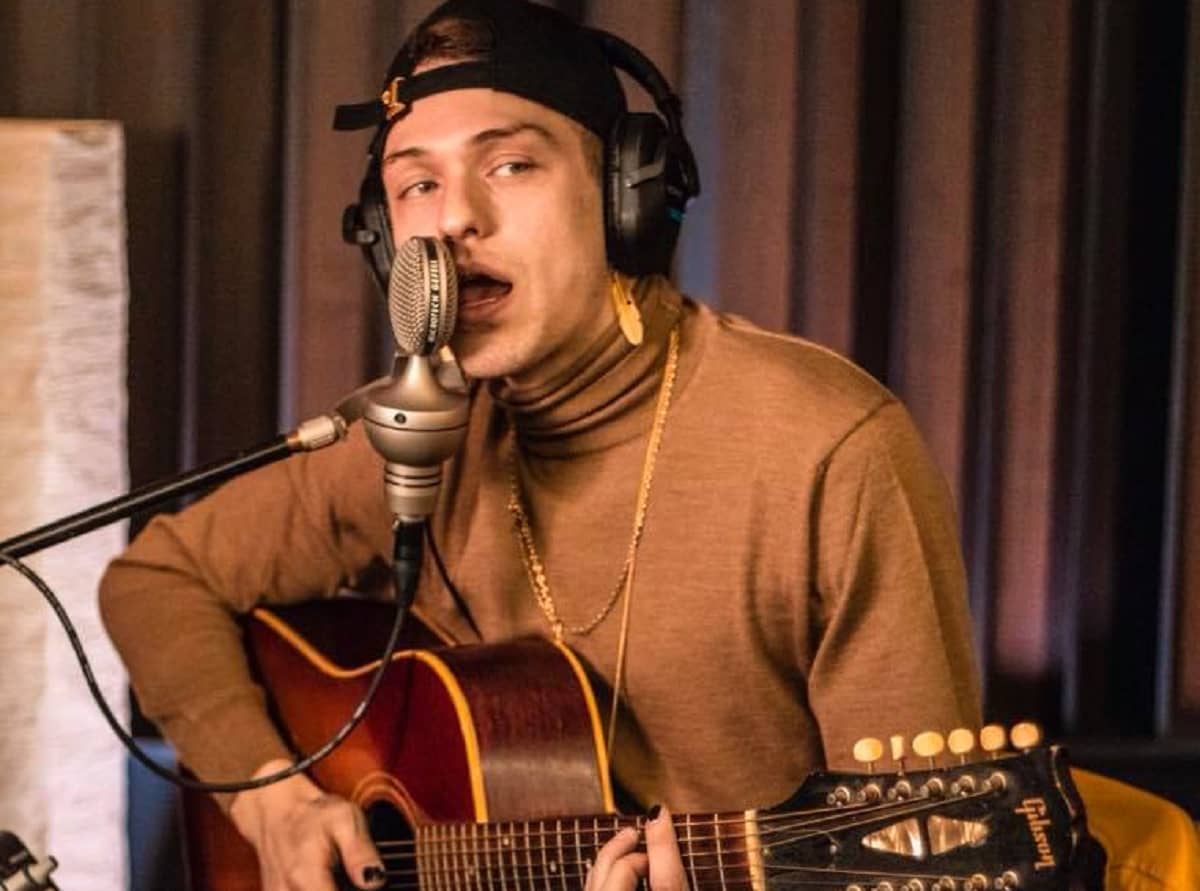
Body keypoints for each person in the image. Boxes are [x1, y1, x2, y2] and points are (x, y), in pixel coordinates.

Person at [98, 1, 982, 889]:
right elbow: (153, 582)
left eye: (511, 165)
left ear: (626, 196)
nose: (455, 219)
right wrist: (271, 801)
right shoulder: (421, 436)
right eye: (417, 185)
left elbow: (936, 851)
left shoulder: (827, 450)